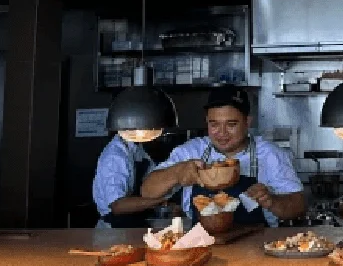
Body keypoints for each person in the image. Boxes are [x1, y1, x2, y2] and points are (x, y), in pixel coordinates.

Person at [140, 85, 306, 227]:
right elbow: (147, 191)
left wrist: (272, 201)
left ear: (247, 122)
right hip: (202, 244)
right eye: (214, 125)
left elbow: (299, 205)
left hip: (256, 247)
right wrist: (176, 173)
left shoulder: (270, 154)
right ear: (207, 122)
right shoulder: (190, 151)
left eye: (231, 124)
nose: (222, 133)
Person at [92, 134, 166, 228]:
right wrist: (160, 201)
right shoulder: (114, 156)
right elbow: (118, 206)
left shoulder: (137, 149)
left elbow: (153, 179)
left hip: (132, 223)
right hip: (112, 231)